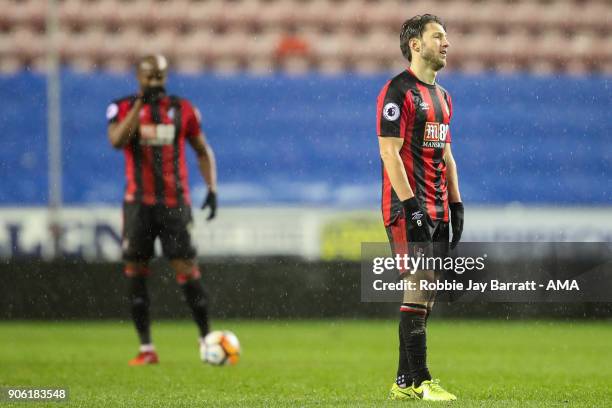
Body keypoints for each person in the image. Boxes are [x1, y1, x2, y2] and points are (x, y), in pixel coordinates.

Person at [106, 54, 218, 366]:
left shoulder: (183, 109)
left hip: (174, 204)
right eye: (149, 77)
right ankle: (146, 349)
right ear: (138, 77)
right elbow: (117, 141)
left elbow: (202, 150)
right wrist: (141, 104)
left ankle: (206, 340)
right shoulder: (123, 107)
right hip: (138, 206)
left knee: (186, 268)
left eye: (160, 77)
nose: (155, 83)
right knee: (136, 273)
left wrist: (212, 188)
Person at [376, 15, 464, 401]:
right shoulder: (397, 91)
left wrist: (456, 205)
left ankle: (402, 383)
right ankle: (424, 380)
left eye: (446, 37)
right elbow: (388, 153)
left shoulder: (444, 97)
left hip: (438, 206)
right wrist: (411, 206)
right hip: (405, 205)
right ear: (415, 44)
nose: (446, 43)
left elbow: (446, 153)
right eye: (438, 36)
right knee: (419, 285)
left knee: (426, 294)